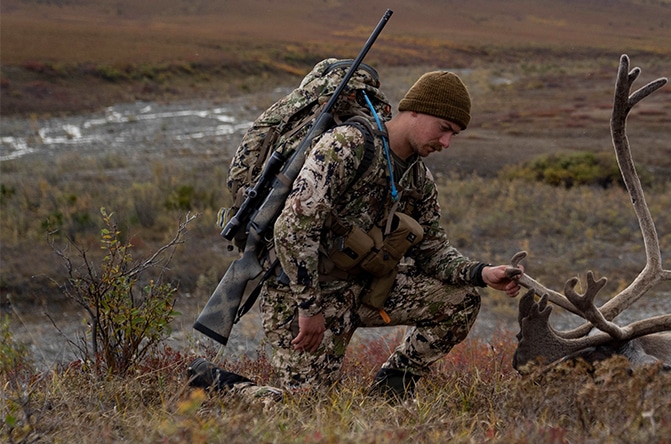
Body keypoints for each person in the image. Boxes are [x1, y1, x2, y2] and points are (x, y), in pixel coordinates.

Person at [189, 70, 523, 400]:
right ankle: (214, 381)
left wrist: (481, 272)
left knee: (461, 300)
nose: (447, 142)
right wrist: (309, 307)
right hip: (302, 295)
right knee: (307, 410)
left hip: (360, 289)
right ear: (415, 110)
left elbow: (433, 252)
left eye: (455, 135)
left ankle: (391, 389)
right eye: (444, 128)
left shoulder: (419, 178)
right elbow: (292, 227)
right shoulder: (348, 145)